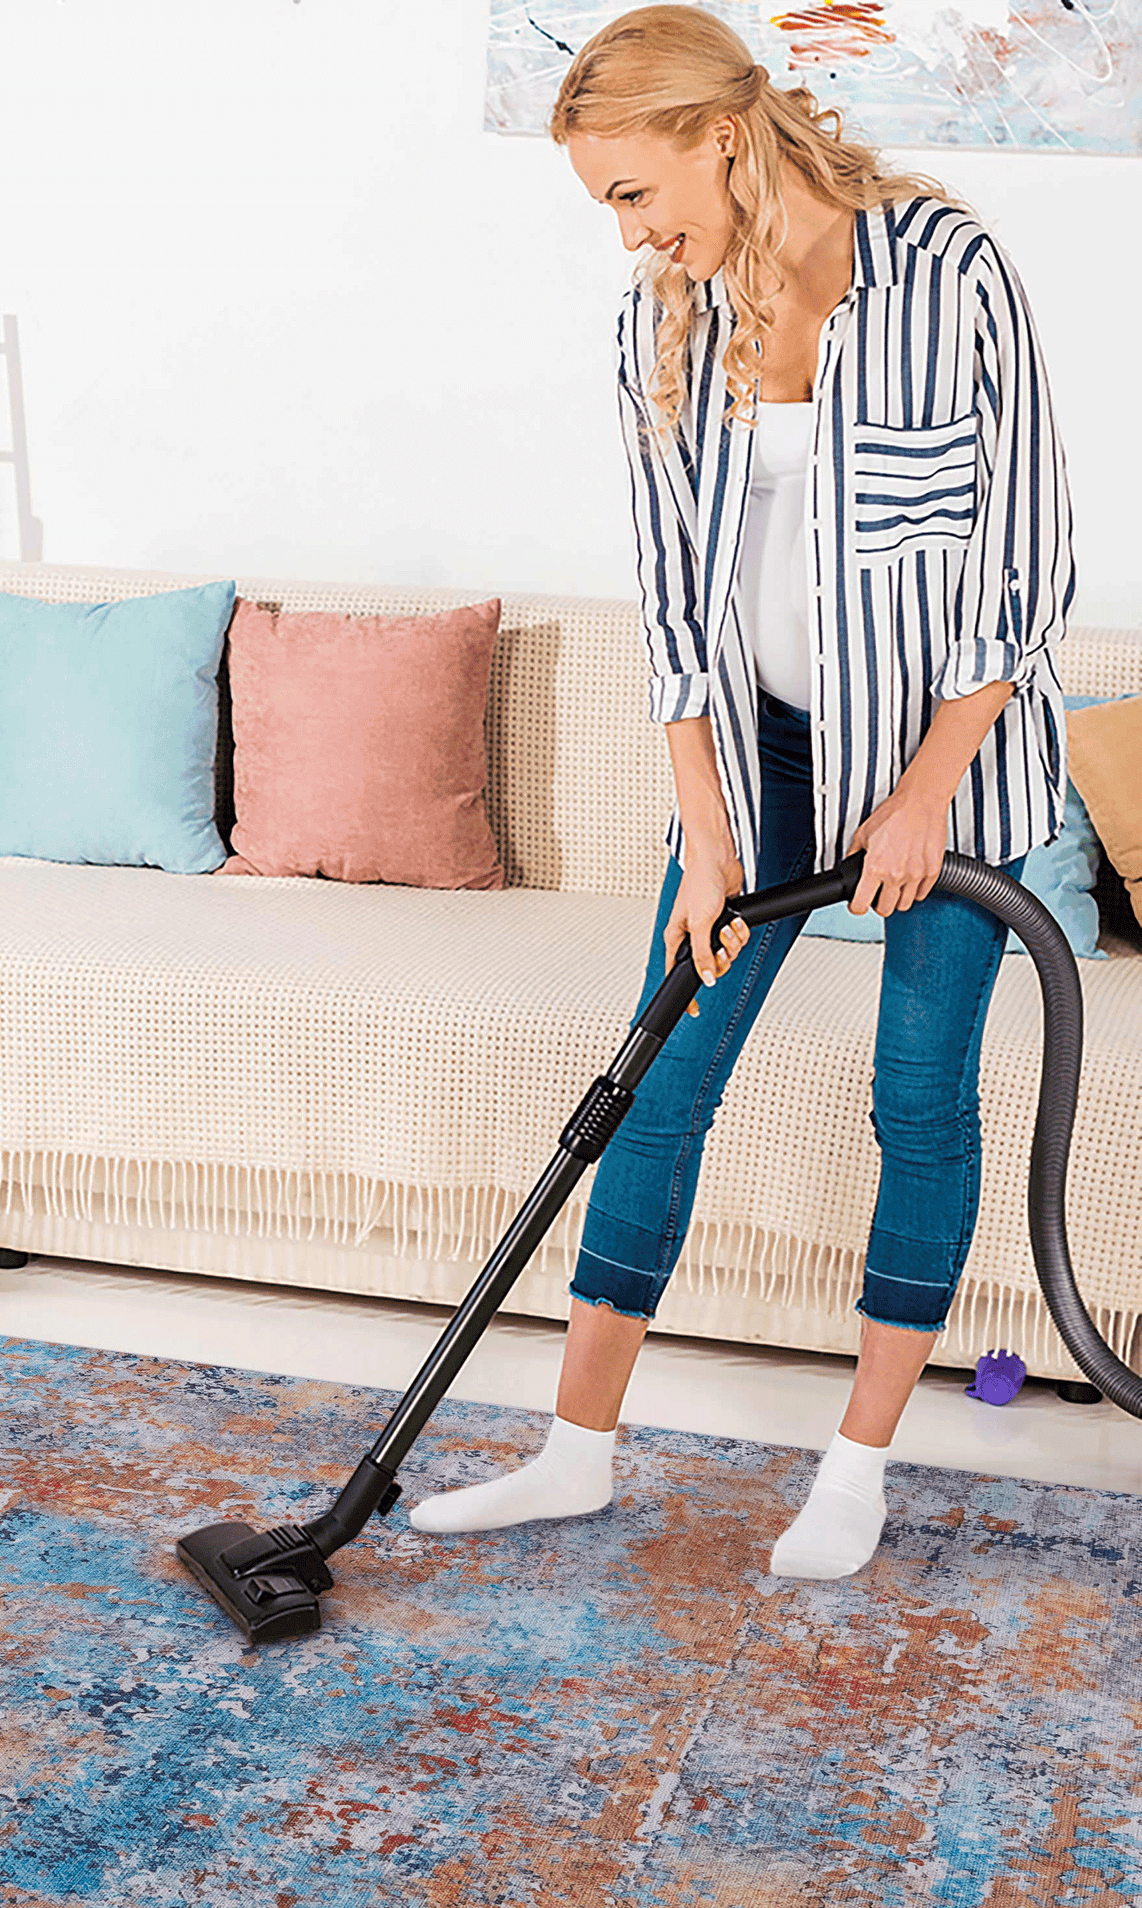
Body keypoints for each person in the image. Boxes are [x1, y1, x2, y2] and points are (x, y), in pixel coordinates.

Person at [410, 6, 1073, 1579]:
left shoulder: (944, 273)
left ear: (719, 134)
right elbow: (670, 604)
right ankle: (573, 1453)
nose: (632, 233)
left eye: (637, 195)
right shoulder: (664, 321)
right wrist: (707, 832)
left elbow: (1023, 560)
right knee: (659, 1077)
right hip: (761, 754)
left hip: (951, 762)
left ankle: (854, 1472)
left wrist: (921, 792)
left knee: (917, 1100)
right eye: (609, 212)